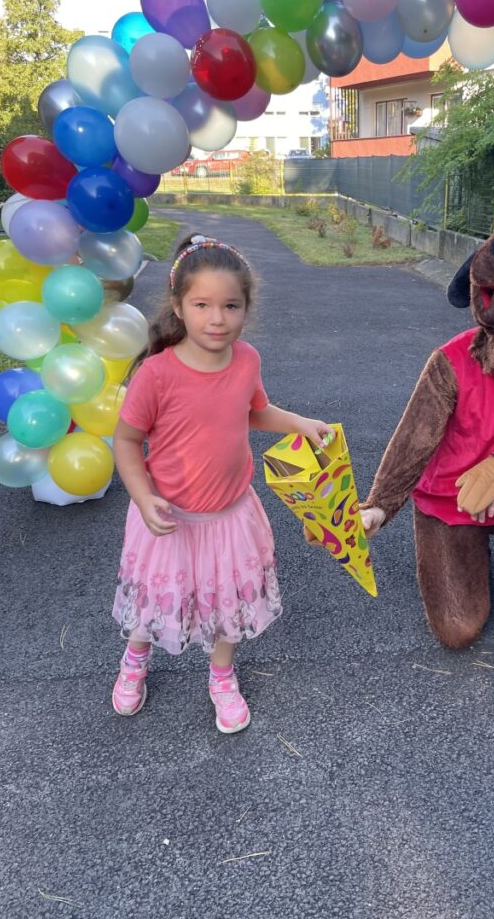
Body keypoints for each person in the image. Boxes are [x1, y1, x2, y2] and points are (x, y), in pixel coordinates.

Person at [111, 233, 333, 732]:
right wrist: (143, 498)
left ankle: (222, 676)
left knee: (228, 600)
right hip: (168, 518)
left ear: (246, 309)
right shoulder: (157, 374)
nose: (217, 318)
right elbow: (126, 441)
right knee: (154, 600)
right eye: (202, 305)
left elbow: (254, 411)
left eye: (230, 306)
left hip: (231, 515)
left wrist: (302, 424)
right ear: (178, 307)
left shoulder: (247, 359)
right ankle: (134, 661)